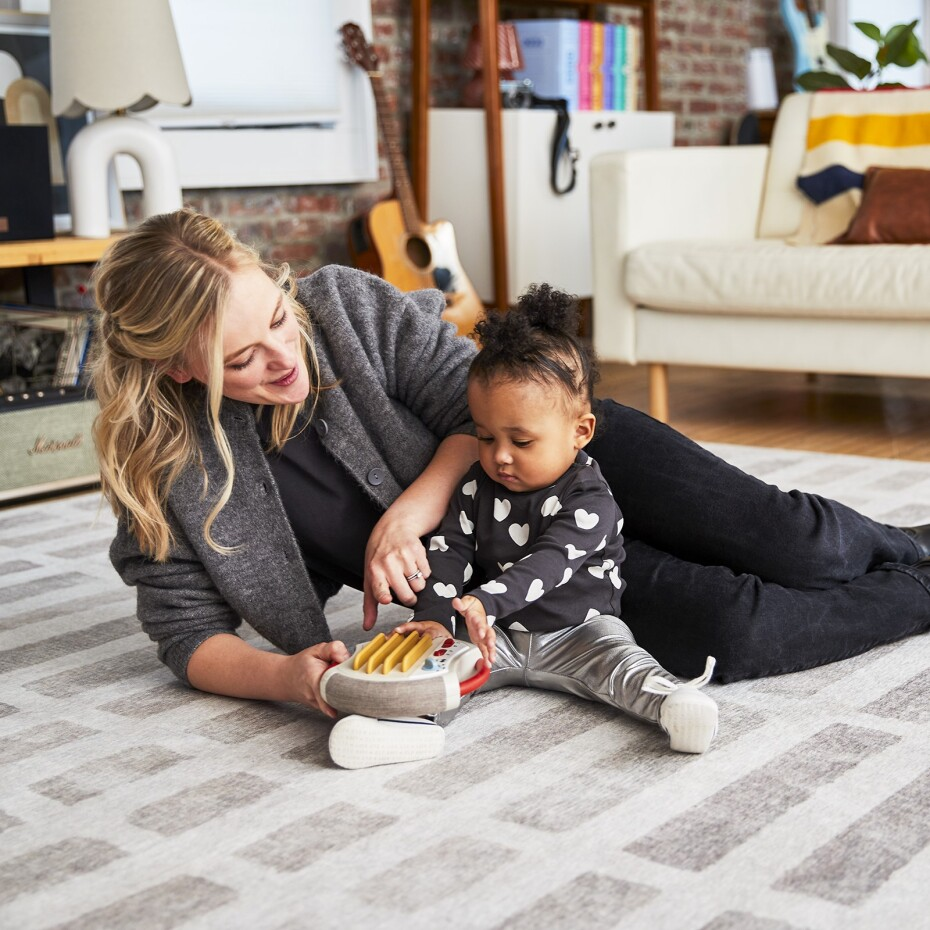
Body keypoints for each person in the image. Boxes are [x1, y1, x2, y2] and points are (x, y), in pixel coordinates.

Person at [91, 209, 930, 769]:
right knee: (734, 634)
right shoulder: (164, 470)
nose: (284, 355)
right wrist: (288, 679)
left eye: (276, 316)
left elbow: (483, 396)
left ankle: (912, 543)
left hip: (562, 450)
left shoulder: (340, 307)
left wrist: (412, 509)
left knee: (799, 545)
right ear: (173, 365)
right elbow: (185, 631)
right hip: (511, 577)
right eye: (242, 359)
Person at [393, 284, 719, 754]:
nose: (500, 457)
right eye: (485, 438)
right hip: (496, 635)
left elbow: (550, 562)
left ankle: (675, 707)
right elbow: (450, 551)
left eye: (521, 442)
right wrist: (435, 619)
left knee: (624, 665)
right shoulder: (474, 485)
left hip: (580, 630)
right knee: (432, 662)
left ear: (579, 432)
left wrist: (485, 601)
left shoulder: (591, 499)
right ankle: (403, 725)